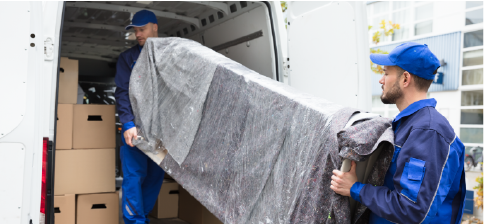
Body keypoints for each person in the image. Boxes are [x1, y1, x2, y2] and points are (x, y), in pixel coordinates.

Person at [330, 42, 466, 223]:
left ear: (405, 79)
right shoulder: (407, 124)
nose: (381, 80)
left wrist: (356, 188)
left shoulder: (428, 132)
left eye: (386, 73)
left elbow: (411, 209)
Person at [114, 10, 165, 224]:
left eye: (142, 29)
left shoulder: (169, 56)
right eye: (135, 31)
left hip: (162, 133)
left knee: (155, 178)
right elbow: (122, 92)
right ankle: (134, 222)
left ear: (155, 27)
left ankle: (141, 217)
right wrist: (127, 123)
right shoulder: (128, 59)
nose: (138, 34)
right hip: (135, 131)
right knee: (134, 178)